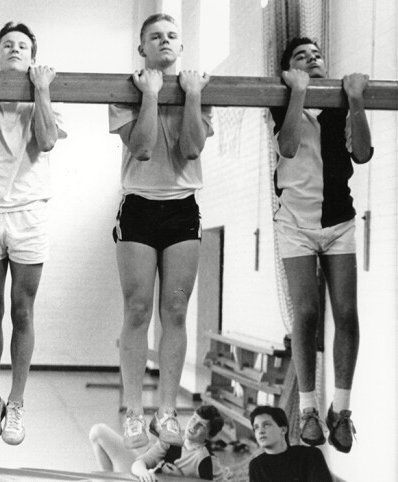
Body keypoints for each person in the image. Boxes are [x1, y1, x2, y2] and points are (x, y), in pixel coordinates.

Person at [109, 13, 213, 449]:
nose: (165, 41)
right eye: (155, 36)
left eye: (172, 35)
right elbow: (145, 147)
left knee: (174, 310)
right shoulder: (124, 92)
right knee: (137, 310)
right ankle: (134, 410)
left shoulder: (199, 91)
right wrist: (150, 94)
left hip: (181, 209)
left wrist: (190, 97)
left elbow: (190, 149)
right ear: (142, 48)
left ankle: (167, 410)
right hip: (138, 207)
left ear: (181, 48)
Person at [0, 21, 66, 446]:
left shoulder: (46, 96)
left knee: (22, 311)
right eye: (7, 45)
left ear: (32, 56)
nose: (15, 49)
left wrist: (41, 89)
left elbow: (47, 140)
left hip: (29, 213)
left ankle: (17, 402)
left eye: (22, 45)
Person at [269, 37, 372, 454]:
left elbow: (362, 154)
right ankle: (308, 410)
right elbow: (289, 146)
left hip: (338, 221)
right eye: (300, 56)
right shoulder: (282, 100)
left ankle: (341, 411)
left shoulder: (342, 101)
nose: (312, 59)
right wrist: (297, 91)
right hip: (294, 222)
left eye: (316, 54)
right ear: (288, 68)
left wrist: (357, 101)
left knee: (347, 313)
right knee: (307, 313)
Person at [88, 405, 228, 481]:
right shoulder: (171, 441)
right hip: (141, 479)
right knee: (98, 431)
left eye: (201, 426)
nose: (193, 427)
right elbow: (138, 463)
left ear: (209, 435)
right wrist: (143, 472)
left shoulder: (207, 460)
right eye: (193, 419)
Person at [249, 405, 333, 482]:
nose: (260, 431)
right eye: (256, 427)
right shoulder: (256, 466)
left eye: (266, 425)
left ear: (283, 429)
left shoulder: (310, 455)